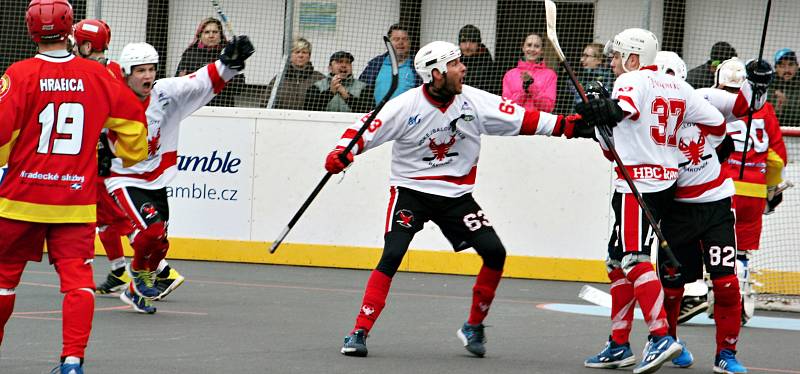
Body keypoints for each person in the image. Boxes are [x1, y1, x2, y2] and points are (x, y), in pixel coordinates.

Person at [332, 40, 593, 358]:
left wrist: (567, 126)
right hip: (411, 191)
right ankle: (359, 330)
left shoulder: (474, 101)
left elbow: (524, 119)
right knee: (393, 254)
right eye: (455, 64)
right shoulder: (405, 105)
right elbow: (364, 129)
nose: (463, 68)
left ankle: (473, 325)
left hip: (456, 195)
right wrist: (343, 152)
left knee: (495, 253)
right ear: (437, 73)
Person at [0, 1, 148, 372]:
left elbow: (1, 134)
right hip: (75, 202)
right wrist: (126, 155)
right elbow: (134, 126)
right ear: (70, 30)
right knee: (78, 281)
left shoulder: (19, 74)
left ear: (30, 31)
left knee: (3, 281)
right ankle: (71, 361)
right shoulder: (99, 77)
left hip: (21, 199)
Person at [576, 28, 726, 374]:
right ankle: (618, 344)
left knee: (633, 259)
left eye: (616, 56)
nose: (612, 62)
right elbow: (716, 124)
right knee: (615, 263)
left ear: (633, 58)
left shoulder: (633, 80)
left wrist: (603, 109)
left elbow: (622, 110)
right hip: (663, 183)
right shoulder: (677, 86)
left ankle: (660, 337)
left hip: (636, 184)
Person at [106, 36, 254, 314]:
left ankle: (136, 292)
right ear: (127, 74)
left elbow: (200, 81)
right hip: (122, 177)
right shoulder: (111, 97)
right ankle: (137, 274)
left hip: (155, 177)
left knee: (161, 244)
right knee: (149, 231)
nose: (147, 75)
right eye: (140, 70)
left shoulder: (163, 92)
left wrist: (229, 62)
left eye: (151, 69)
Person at [655, 54, 772, 374]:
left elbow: (746, 106)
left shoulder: (702, 96)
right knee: (671, 286)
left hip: (716, 205)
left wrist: (756, 82)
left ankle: (726, 353)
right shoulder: (648, 112)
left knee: (726, 282)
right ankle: (668, 343)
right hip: (676, 211)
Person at [72, 18, 187, 299]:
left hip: (108, 159)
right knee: (105, 219)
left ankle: (160, 269)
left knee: (118, 220)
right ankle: (121, 270)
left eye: (76, 43)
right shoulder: (106, 70)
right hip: (104, 156)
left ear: (86, 45)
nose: (72, 47)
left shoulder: (99, 72)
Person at [721, 58, 787, 325]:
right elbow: (776, 160)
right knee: (741, 252)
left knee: (714, 246)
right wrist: (771, 191)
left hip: (723, 189)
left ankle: (709, 292)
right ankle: (740, 295)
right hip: (755, 194)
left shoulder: (720, 105)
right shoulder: (766, 109)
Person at [175, 17, 243, 107]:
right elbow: (179, 84)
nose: (211, 35)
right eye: (207, 32)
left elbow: (238, 89)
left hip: (223, 107)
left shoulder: (228, 54)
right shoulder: (189, 54)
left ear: (220, 35)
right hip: (195, 107)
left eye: (215, 32)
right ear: (200, 35)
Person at [359, 23, 421, 104]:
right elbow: (361, 91)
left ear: (410, 42)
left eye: (405, 39)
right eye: (396, 39)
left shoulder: (417, 66)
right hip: (379, 114)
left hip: (407, 115)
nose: (400, 42)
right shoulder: (375, 64)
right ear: (388, 42)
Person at [263, 37, 324, 110]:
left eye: (304, 52)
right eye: (297, 52)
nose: (300, 55)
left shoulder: (319, 78)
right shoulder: (279, 78)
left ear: (309, 56)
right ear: (290, 56)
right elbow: (265, 103)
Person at [502, 32, 556, 113]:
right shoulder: (510, 74)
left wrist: (531, 87)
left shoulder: (550, 75)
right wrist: (524, 89)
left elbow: (548, 107)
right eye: (529, 45)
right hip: (515, 123)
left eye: (537, 46)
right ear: (523, 47)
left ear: (542, 50)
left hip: (538, 123)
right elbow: (506, 106)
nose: (532, 49)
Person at [303, 50, 373, 113]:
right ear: (330, 68)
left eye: (348, 62)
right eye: (339, 62)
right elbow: (309, 111)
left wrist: (347, 96)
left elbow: (368, 113)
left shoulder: (364, 87)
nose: (344, 65)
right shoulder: (316, 86)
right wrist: (330, 92)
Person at [457, 24, 501, 95]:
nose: (468, 46)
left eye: (472, 41)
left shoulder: (488, 65)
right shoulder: (454, 61)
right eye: (464, 41)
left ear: (478, 43)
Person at [572, 43, 614, 107]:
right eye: (582, 55)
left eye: (586, 56)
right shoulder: (581, 77)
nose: (582, 59)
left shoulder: (608, 78)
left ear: (599, 60)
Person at [768, 48, 800, 127]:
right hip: (772, 130)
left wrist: (786, 104)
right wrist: (778, 107)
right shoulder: (768, 86)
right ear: (776, 68)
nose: (787, 70)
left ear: (797, 66)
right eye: (782, 66)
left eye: (791, 65)